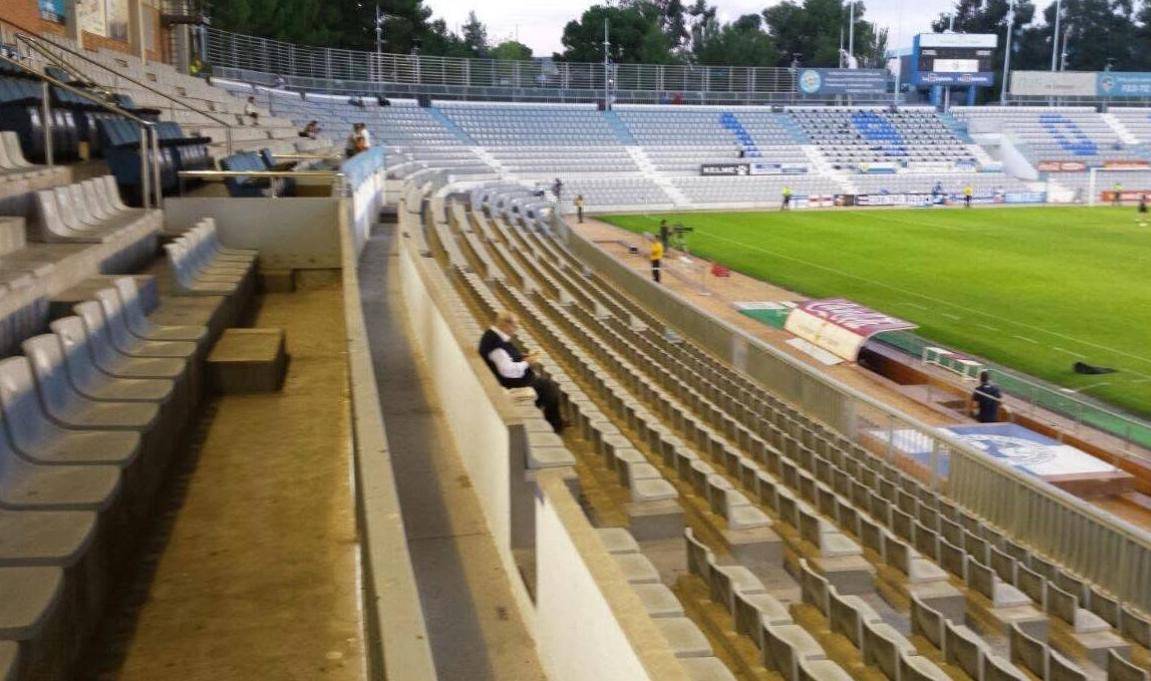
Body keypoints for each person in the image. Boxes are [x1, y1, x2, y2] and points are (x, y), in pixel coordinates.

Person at [478, 312, 563, 433]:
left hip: (508, 379)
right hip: (509, 383)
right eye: (515, 326)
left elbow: (506, 358)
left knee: (544, 385)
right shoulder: (496, 345)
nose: (516, 330)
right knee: (548, 387)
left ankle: (552, 419)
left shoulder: (492, 336)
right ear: (506, 325)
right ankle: (555, 425)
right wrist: (527, 362)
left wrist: (519, 356)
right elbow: (507, 371)